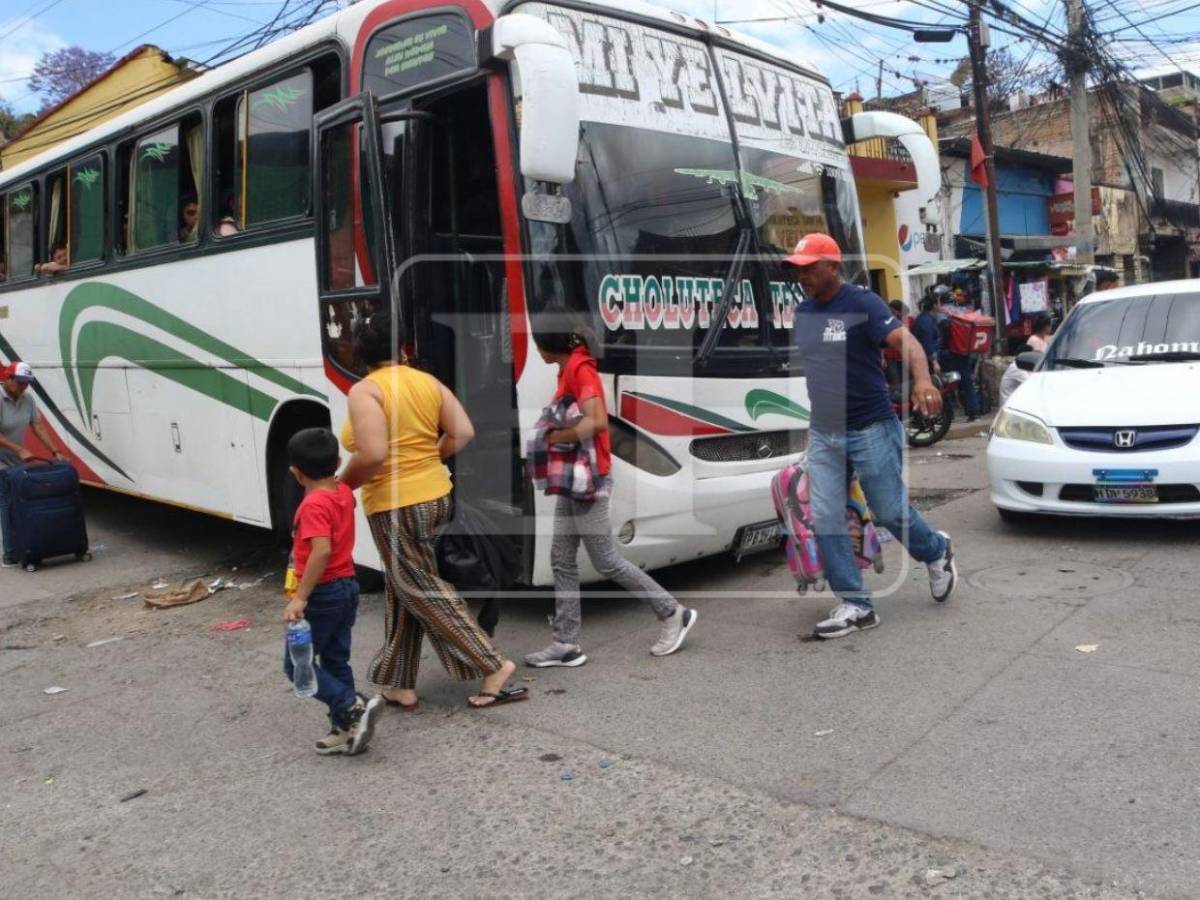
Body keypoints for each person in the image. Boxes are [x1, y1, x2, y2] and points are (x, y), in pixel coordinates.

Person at [338, 309, 527, 709]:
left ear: (360, 352)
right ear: (403, 347)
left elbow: (372, 454)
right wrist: (428, 461)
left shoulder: (365, 392)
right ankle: (398, 682)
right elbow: (463, 432)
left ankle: (493, 664)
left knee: (419, 587)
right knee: (404, 586)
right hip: (438, 496)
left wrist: (340, 487)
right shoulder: (428, 382)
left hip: (395, 504)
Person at [785, 233, 957, 639]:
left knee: (888, 511)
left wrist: (922, 381)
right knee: (825, 515)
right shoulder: (802, 312)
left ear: (832, 266)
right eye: (797, 270)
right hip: (824, 432)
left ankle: (936, 550)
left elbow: (907, 341)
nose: (802, 276)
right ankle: (857, 604)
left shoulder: (863, 303)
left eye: (809, 268)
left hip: (870, 427)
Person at [523, 310, 698, 668]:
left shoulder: (579, 369)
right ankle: (565, 644)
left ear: (548, 344)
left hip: (588, 477)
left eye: (537, 343)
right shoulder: (569, 368)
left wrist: (555, 437)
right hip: (574, 476)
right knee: (561, 559)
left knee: (605, 560)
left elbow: (597, 422)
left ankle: (672, 612)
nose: (536, 350)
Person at [282, 427, 381, 755]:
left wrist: (300, 597)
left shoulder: (313, 505)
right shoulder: (342, 492)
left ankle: (351, 706)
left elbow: (321, 551)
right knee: (336, 659)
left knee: (297, 666)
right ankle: (347, 728)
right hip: (347, 587)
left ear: (296, 473)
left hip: (323, 593)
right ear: (338, 462)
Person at [0, 363, 67, 567]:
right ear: (8, 379)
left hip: (14, 460)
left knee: (21, 502)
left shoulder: (27, 399)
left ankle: (27, 544)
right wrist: (19, 449)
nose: (23, 387)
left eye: (27, 383)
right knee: (7, 503)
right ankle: (10, 553)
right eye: (20, 382)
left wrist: (55, 451)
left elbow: (37, 425)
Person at [941, 288, 980, 422]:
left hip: (950, 353)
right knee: (967, 382)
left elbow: (944, 338)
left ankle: (949, 413)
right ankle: (974, 411)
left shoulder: (943, 315)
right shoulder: (963, 313)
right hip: (964, 352)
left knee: (946, 383)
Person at [911, 294, 943, 375]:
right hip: (926, 361)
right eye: (939, 303)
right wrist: (934, 362)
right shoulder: (926, 321)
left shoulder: (926, 318)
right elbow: (927, 343)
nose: (941, 305)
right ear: (934, 305)